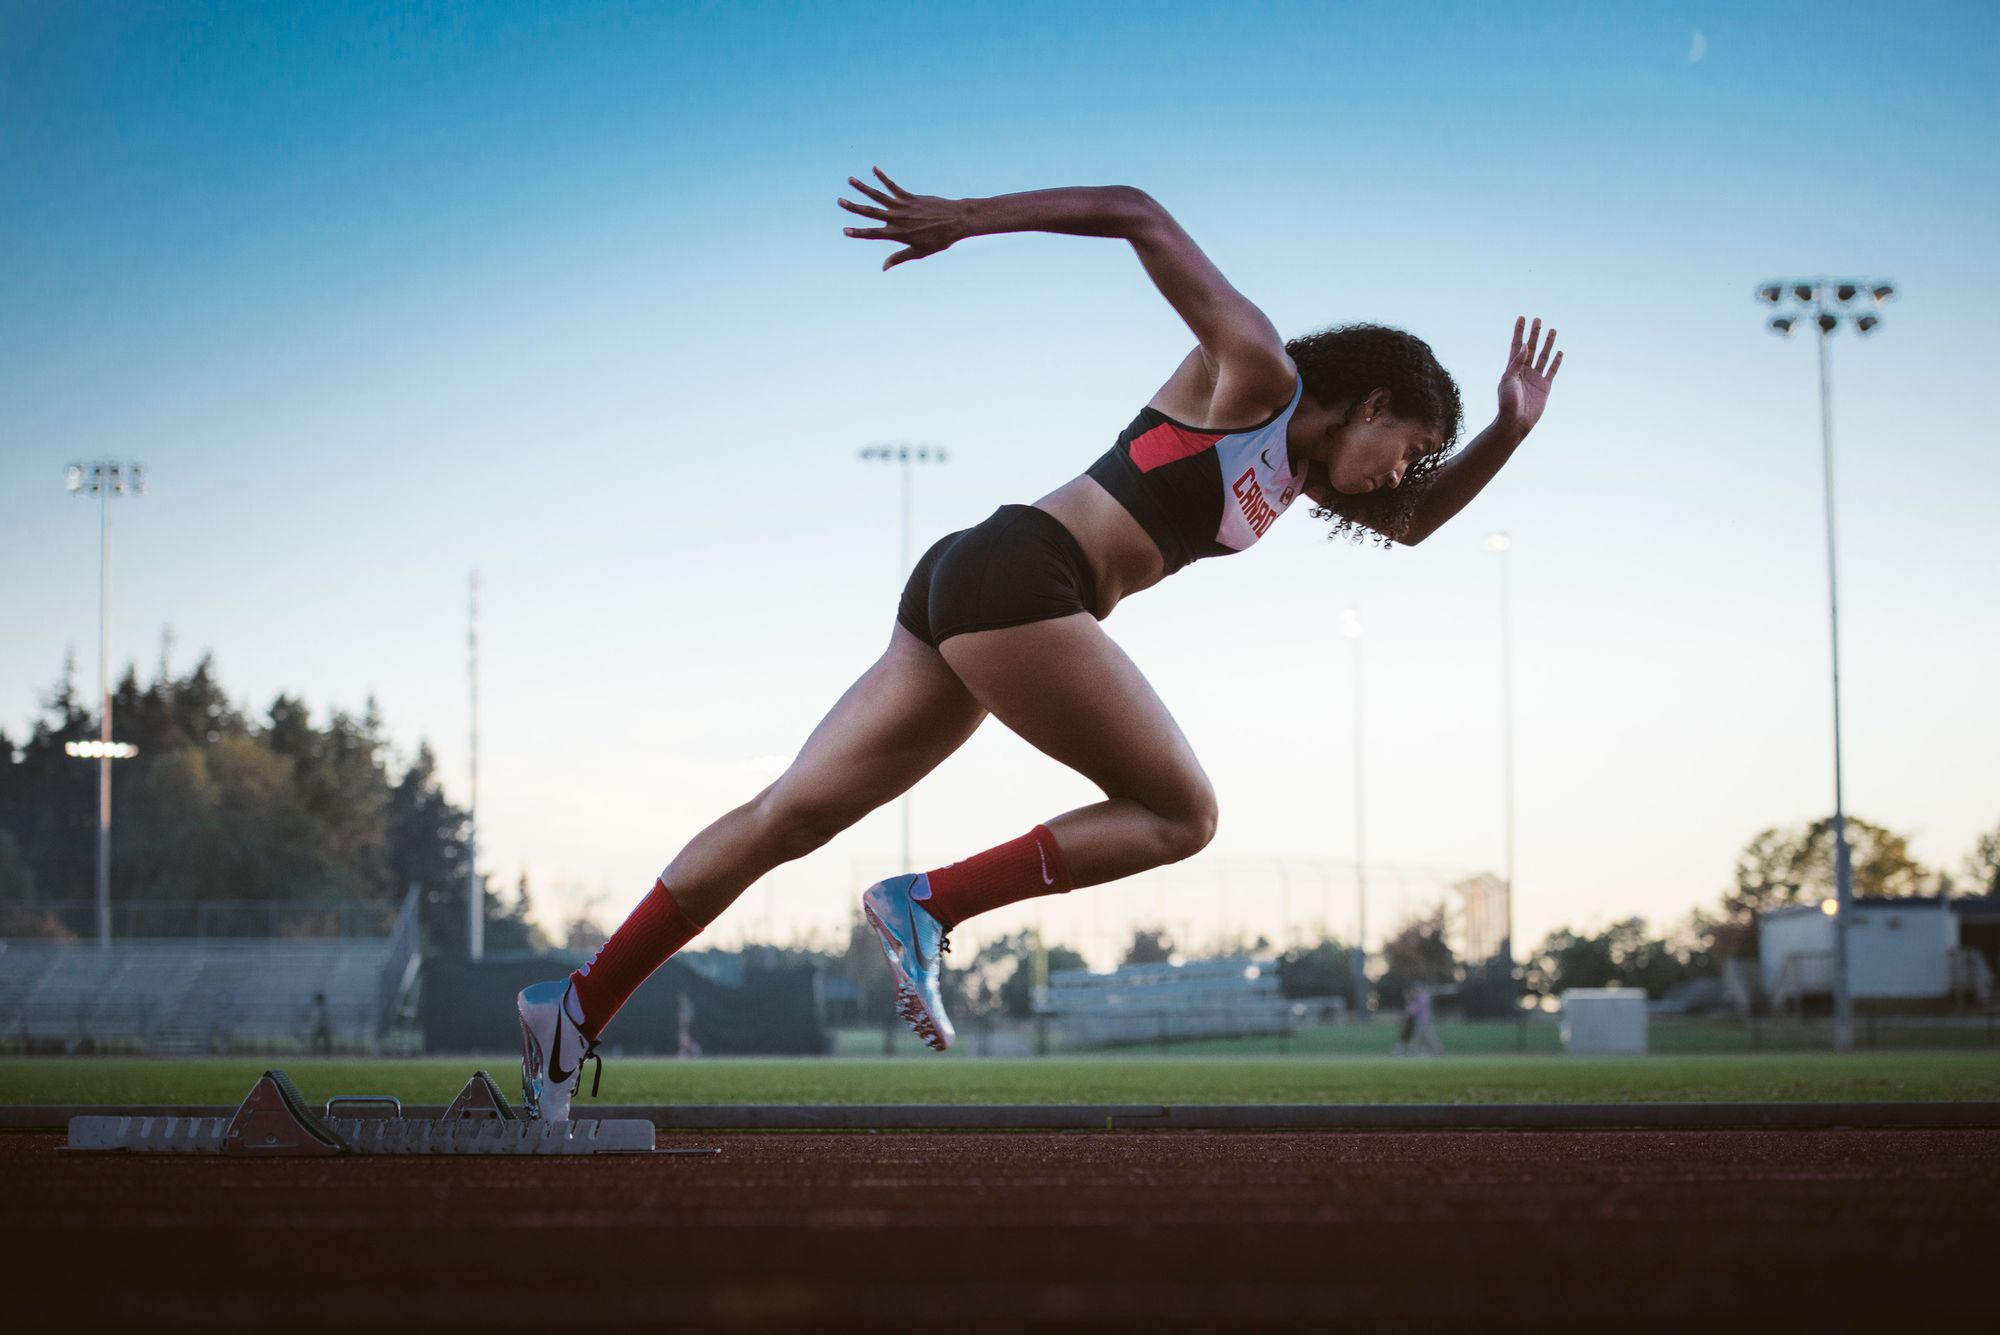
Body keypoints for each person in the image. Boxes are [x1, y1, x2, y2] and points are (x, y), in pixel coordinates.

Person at [516, 169, 1563, 1119]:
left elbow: (1412, 526)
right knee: (1180, 814)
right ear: (1371, 400)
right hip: (1023, 574)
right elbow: (1135, 211)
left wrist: (1506, 433)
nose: (1400, 473)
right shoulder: (1255, 370)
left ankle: (572, 1008)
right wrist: (965, 220)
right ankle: (926, 903)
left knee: (787, 814)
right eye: (1409, 447)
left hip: (977, 584)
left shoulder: (1297, 475)